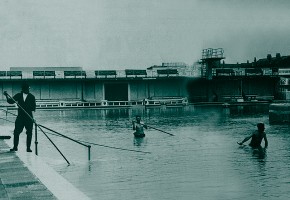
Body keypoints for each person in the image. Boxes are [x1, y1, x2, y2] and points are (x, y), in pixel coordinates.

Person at [3, 82, 36, 152]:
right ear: (24, 89)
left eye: (29, 89)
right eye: (27, 89)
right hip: (20, 117)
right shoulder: (19, 95)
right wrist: (6, 95)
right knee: (16, 132)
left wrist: (33, 117)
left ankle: (28, 148)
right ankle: (15, 147)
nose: (28, 90)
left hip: (29, 117)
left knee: (29, 132)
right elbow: (10, 101)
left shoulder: (32, 97)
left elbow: (33, 108)